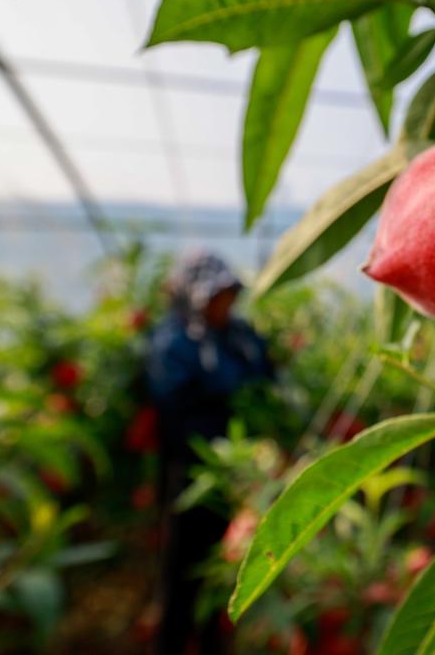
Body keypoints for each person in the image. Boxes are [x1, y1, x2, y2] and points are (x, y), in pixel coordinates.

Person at [145, 251, 273, 655]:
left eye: (229, 297)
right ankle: (173, 639)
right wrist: (223, 396)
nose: (225, 306)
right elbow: (172, 400)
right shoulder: (174, 340)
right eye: (216, 297)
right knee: (183, 564)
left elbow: (264, 375)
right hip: (189, 470)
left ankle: (211, 638)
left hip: (236, 471)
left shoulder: (236, 335)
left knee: (224, 561)